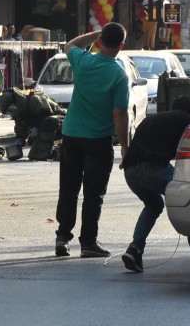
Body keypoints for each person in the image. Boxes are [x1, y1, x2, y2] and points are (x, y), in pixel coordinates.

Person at [120, 96, 190, 274]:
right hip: (153, 169)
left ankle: (135, 249)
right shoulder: (185, 120)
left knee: (153, 205)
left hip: (130, 172)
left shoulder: (151, 119)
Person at [54, 22, 131, 258]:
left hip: (71, 134)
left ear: (99, 42)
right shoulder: (119, 74)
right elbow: (120, 113)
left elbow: (70, 45)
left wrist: (96, 35)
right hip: (97, 139)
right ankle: (88, 242)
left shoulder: (84, 61)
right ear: (121, 46)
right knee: (93, 193)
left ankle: (62, 238)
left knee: (68, 188)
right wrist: (126, 149)